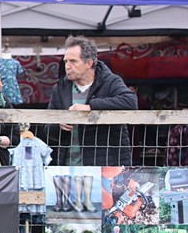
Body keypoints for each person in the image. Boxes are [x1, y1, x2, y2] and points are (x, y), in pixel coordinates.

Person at [45, 36, 137, 168]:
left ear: (88, 63)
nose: (67, 66)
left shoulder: (110, 81)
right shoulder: (60, 88)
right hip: (68, 167)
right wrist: (59, 125)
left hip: (106, 167)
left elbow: (130, 101)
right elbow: (48, 130)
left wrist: (91, 107)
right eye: (66, 61)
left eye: (73, 61)